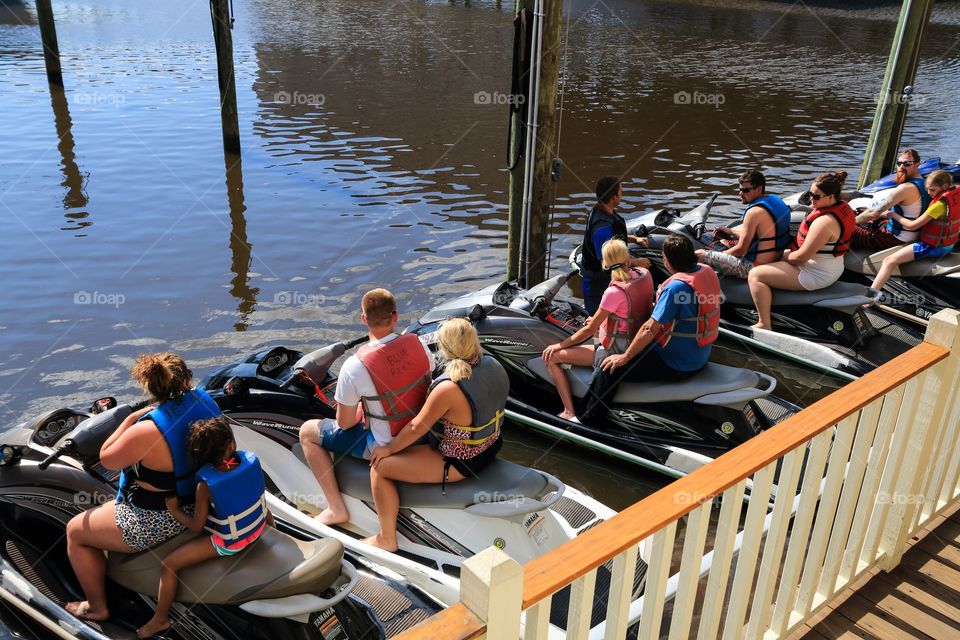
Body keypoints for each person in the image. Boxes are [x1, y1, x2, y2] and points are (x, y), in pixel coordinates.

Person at [66, 353, 221, 622]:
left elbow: (107, 458)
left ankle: (96, 607)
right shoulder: (205, 401)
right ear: (187, 379)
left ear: (152, 388)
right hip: (201, 500)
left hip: (160, 518)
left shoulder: (145, 430)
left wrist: (129, 419)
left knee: (74, 531)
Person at [365, 318, 508, 552]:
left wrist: (388, 449)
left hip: (460, 463)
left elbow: (417, 427)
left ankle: (386, 538)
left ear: (444, 348)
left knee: (379, 467)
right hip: (492, 446)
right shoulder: (493, 364)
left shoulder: (448, 387)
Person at [298, 288, 433, 525]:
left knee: (308, 432)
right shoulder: (418, 344)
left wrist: (362, 407)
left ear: (363, 320)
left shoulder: (354, 367)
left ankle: (335, 508)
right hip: (421, 432)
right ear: (395, 317)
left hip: (385, 443)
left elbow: (345, 423)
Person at [137, 417, 273, 639]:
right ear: (231, 444)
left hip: (231, 543)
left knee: (168, 566)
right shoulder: (251, 460)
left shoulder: (205, 485)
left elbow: (196, 526)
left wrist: (174, 511)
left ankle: (159, 620)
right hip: (260, 527)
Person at [580, 234, 720, 424]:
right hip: (701, 354)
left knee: (608, 367)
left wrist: (624, 357)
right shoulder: (706, 271)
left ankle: (589, 420)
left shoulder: (675, 288)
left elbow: (649, 329)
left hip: (676, 363)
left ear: (667, 262)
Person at [542, 239, 653, 420]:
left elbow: (588, 331)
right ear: (627, 258)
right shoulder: (645, 274)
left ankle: (569, 411)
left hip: (614, 349)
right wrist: (600, 321)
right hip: (636, 341)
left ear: (605, 264)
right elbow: (630, 310)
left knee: (552, 357)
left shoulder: (614, 292)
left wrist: (559, 345)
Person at [747, 171, 855, 330]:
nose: (812, 199)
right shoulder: (843, 207)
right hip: (830, 266)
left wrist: (783, 257)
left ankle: (764, 323)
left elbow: (801, 258)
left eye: (817, 196)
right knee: (775, 257)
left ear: (831, 197)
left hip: (815, 274)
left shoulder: (824, 223)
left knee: (755, 274)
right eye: (810, 194)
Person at [871, 170, 959, 291]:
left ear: (944, 187)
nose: (929, 193)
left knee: (889, 261)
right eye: (927, 189)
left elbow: (912, 226)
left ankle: (870, 297)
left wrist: (892, 214)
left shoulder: (938, 206)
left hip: (933, 247)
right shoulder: (955, 196)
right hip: (949, 245)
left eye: (932, 190)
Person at [696, 169, 791, 278]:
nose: (740, 194)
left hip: (754, 267)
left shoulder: (753, 212)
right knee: (723, 241)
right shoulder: (775, 200)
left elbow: (741, 250)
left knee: (700, 254)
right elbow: (762, 236)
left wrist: (717, 257)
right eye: (740, 189)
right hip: (775, 258)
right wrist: (730, 231)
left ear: (759, 189)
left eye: (745, 190)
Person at [580, 175, 650, 314]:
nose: (622, 193)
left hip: (605, 281)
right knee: (598, 323)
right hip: (597, 285)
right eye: (621, 191)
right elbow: (607, 262)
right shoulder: (602, 228)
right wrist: (637, 262)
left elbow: (614, 239)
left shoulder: (602, 210)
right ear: (614, 197)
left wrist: (634, 239)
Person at [851, 149, 931, 251]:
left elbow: (873, 212)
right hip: (913, 234)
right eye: (899, 163)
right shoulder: (925, 183)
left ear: (917, 165)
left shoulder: (905, 188)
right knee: (864, 212)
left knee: (844, 227)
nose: (901, 167)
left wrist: (851, 223)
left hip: (894, 239)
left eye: (907, 164)